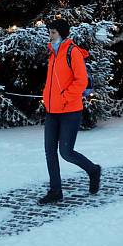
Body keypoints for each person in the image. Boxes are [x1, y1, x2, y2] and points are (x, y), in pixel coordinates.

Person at [38, 19, 101, 204]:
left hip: (70, 110)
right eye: (50, 32)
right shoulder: (52, 54)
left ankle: (93, 170)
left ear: (62, 33)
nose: (50, 36)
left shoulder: (72, 53)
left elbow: (81, 81)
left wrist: (64, 97)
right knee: (50, 152)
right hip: (52, 111)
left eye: (53, 33)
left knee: (66, 152)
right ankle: (55, 191)